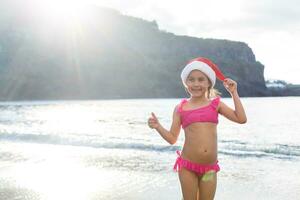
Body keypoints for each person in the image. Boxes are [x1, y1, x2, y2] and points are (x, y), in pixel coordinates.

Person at [148, 57, 247, 200]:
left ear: (209, 83)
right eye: (191, 79)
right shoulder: (181, 108)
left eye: (201, 79)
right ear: (186, 83)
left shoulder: (216, 105)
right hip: (187, 166)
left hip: (209, 169)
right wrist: (158, 126)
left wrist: (234, 93)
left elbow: (241, 119)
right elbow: (172, 138)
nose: (196, 84)